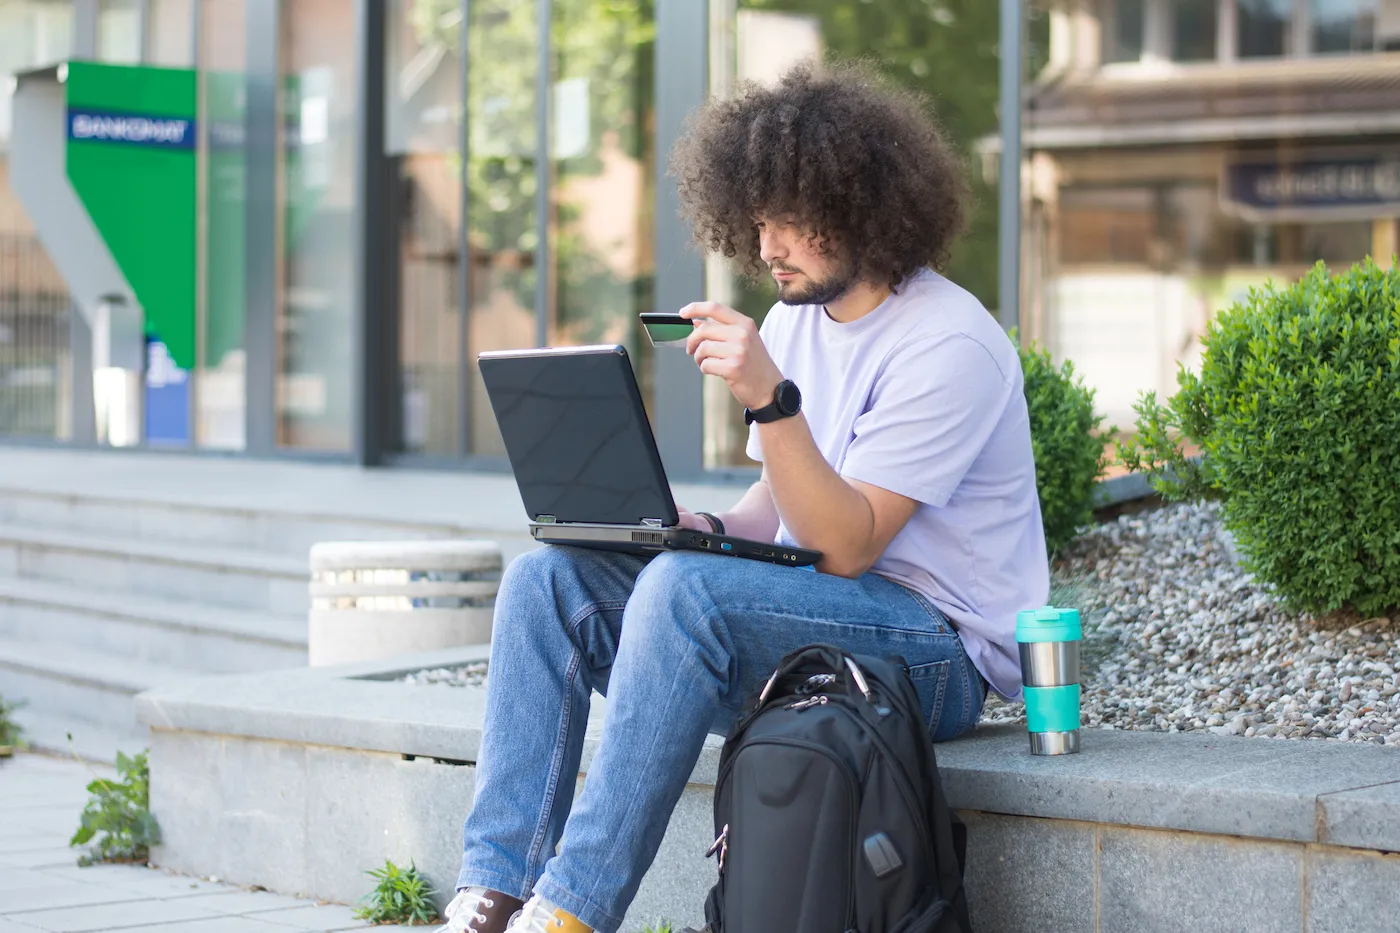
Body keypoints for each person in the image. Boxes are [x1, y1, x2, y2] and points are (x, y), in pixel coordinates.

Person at [438, 60, 1049, 933]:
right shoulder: (802, 318)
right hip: (826, 617)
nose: (768, 247)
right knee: (551, 581)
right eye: (758, 219)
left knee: (687, 593)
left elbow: (848, 543)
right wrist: (705, 529)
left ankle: (569, 911)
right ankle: (493, 892)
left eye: (791, 220)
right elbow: (779, 506)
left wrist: (769, 395)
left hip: (932, 655)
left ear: (861, 203)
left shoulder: (951, 343)